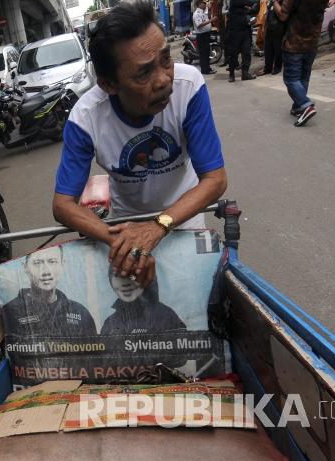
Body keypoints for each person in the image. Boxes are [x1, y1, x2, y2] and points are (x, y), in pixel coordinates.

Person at [52, 1, 227, 288]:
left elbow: (215, 180)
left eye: (165, 59)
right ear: (108, 85)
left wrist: (159, 226)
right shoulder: (85, 119)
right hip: (126, 227)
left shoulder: (190, 86)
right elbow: (62, 205)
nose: (163, 80)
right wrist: (119, 241)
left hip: (184, 218)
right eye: (143, 74)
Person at [1, 245, 97, 337]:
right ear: (25, 268)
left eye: (52, 261)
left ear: (62, 265)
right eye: (37, 263)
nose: (46, 271)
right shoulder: (10, 312)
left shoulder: (80, 312)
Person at [275, 0, 329, 126]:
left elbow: (283, 15)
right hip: (312, 43)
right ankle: (298, 106)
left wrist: (274, 4)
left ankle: (305, 105)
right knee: (303, 78)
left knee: (291, 80)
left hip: (294, 43)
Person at [101, 268, 186, 335]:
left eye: (132, 275)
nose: (125, 283)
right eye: (117, 275)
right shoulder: (110, 323)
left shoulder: (166, 316)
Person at [226, 0, 259, 82]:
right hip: (234, 32)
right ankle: (231, 74)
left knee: (247, 52)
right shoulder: (235, 2)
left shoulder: (244, 7)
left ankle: (245, 73)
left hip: (245, 31)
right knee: (233, 53)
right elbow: (249, 2)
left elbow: (252, 9)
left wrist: (250, 20)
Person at [259, 0, 284, 75]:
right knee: (268, 50)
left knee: (277, 50)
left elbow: (283, 16)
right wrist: (265, 27)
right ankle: (267, 68)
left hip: (278, 29)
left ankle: (277, 68)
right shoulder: (271, 3)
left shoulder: (282, 3)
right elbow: (267, 15)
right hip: (269, 29)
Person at [192, 0, 218, 75]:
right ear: (199, 4)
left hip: (206, 35)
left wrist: (209, 10)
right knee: (203, 54)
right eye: (203, 3)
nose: (205, 4)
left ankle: (207, 68)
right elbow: (199, 24)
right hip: (201, 35)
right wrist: (211, 21)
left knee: (206, 53)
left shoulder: (203, 12)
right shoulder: (197, 14)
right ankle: (205, 70)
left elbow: (207, 17)